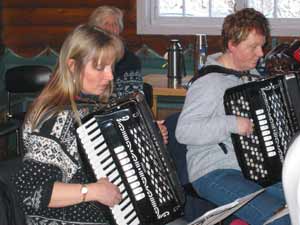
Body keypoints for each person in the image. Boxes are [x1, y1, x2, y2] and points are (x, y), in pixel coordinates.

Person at [176, 8, 290, 225]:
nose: (261, 53)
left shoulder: (252, 75)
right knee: (279, 219)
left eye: (262, 45)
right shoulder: (209, 82)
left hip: (254, 170)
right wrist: (232, 123)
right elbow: (184, 131)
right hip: (214, 173)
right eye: (253, 47)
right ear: (232, 45)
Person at [11, 24, 125, 225]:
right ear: (73, 67)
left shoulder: (90, 103)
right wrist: (92, 191)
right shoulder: (57, 119)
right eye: (100, 67)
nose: (110, 76)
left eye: (111, 66)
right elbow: (29, 191)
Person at [88, 5, 168, 144]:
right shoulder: (85, 58)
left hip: (118, 122)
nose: (111, 29)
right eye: (106, 24)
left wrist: (145, 129)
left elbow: (130, 103)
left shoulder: (129, 60)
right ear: (94, 29)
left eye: (115, 25)